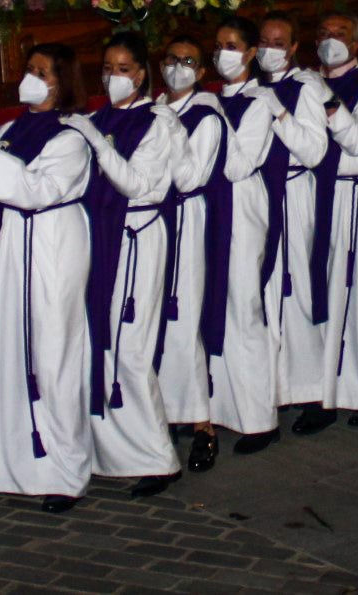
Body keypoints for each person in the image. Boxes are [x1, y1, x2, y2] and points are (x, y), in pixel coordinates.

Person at [62, 32, 185, 497]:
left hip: (137, 237)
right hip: (103, 236)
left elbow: (136, 183)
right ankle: (111, 452)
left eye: (124, 69)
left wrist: (96, 141)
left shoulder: (159, 120)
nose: (115, 77)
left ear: (142, 73)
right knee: (102, 342)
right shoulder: (100, 116)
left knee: (132, 351)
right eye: (108, 69)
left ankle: (157, 457)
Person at [0, 43, 95, 511]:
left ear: (61, 82)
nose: (32, 77)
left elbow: (40, 190)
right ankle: (15, 460)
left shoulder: (70, 137)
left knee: (54, 351)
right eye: (29, 69)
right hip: (15, 241)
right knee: (10, 343)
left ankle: (67, 469)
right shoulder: (13, 128)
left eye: (43, 71)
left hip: (53, 242)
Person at [296, 10, 358, 432]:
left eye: (339, 33)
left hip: (355, 194)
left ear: (356, 44)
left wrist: (325, 98)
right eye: (322, 32)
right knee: (316, 292)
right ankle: (322, 392)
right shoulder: (306, 83)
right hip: (314, 193)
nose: (329, 39)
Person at [251, 13, 331, 426]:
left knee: (296, 289)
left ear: (295, 48)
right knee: (262, 295)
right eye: (263, 41)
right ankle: (272, 388)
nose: (269, 49)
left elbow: (315, 151)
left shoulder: (307, 88)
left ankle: (312, 389)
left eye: (279, 43)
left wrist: (280, 115)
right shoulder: (251, 87)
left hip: (294, 195)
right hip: (258, 197)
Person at [154, 34, 228, 472]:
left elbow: (190, 177)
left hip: (185, 219)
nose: (178, 67)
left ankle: (202, 423)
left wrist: (165, 127)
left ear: (202, 72)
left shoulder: (206, 116)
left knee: (183, 325)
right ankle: (160, 413)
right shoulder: (155, 107)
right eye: (171, 59)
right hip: (150, 222)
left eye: (188, 61)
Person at [209, 16, 283, 450]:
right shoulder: (213, 98)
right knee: (215, 302)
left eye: (233, 45)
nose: (224, 54)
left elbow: (239, 164)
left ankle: (258, 417)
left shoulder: (259, 101)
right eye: (218, 45)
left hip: (242, 203)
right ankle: (216, 407)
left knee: (243, 303)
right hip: (212, 204)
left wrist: (211, 118)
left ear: (251, 53)